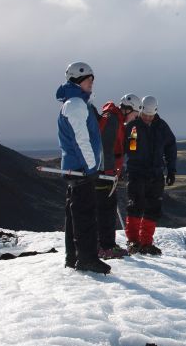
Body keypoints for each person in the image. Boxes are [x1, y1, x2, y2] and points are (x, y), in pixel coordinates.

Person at [56, 61, 111, 274]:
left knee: (74, 215)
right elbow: (81, 140)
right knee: (85, 215)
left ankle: (73, 257)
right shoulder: (77, 105)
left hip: (76, 167)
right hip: (81, 169)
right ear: (77, 81)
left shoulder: (74, 103)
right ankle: (87, 259)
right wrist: (91, 168)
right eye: (88, 80)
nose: (91, 83)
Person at [124, 95, 177, 255]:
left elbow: (171, 147)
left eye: (151, 115)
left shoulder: (162, 126)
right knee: (135, 206)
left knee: (153, 209)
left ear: (155, 112)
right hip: (136, 173)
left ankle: (146, 243)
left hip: (156, 174)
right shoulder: (133, 126)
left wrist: (171, 170)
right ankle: (133, 241)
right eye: (145, 115)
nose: (147, 118)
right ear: (140, 110)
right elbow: (126, 148)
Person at [95, 93, 142, 259]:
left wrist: (133, 138)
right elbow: (105, 146)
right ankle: (105, 246)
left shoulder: (117, 121)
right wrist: (109, 171)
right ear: (128, 109)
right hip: (104, 174)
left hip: (108, 173)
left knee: (107, 209)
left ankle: (106, 245)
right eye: (135, 114)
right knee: (105, 210)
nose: (135, 118)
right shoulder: (113, 120)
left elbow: (125, 148)